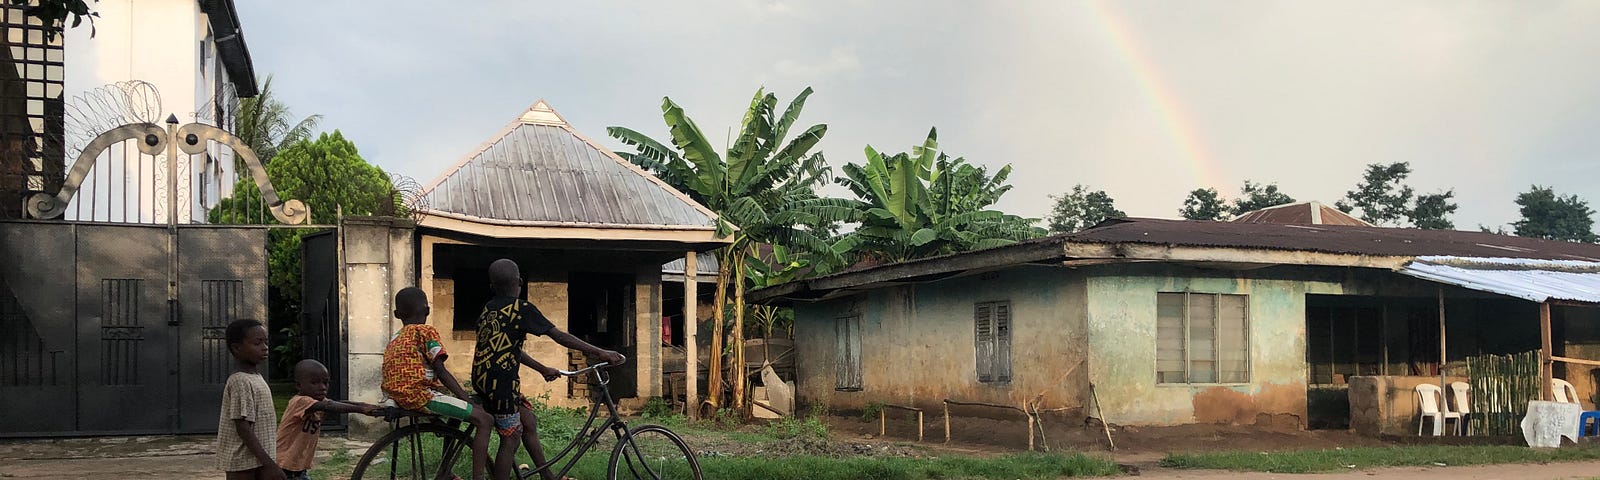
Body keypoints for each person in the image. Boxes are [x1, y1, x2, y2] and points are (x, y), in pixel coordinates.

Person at [472, 259, 624, 480]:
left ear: (491, 286)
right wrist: (600, 352)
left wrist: (541, 368)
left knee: (528, 421)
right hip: (501, 386)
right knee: (511, 437)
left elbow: (507, 349)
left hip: (483, 380)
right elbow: (559, 335)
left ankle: (547, 476)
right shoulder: (521, 309)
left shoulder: (488, 310)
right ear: (520, 282)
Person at [381, 287, 496, 480]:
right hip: (421, 396)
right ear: (427, 310)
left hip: (397, 396)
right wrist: (465, 397)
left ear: (397, 314)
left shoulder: (395, 338)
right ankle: (479, 477)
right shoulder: (425, 332)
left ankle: (446, 471)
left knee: (456, 411)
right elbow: (441, 371)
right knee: (485, 420)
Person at [276, 359, 380, 480]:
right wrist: (361, 409)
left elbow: (336, 403)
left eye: (326, 383)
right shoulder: (300, 401)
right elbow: (330, 406)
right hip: (282, 466)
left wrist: (364, 405)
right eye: (314, 383)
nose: (322, 387)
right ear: (299, 385)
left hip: (298, 468)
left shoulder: (318, 401)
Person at [216, 319, 285, 480]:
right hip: (243, 462)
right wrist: (270, 465)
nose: (265, 347)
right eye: (257, 343)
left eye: (266, 342)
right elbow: (243, 427)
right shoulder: (240, 380)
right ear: (237, 348)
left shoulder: (256, 377)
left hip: (257, 460)